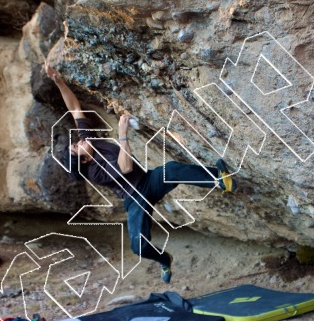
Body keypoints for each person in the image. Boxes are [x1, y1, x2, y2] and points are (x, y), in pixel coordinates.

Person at [43, 63, 235, 284]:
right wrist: (122, 134)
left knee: (172, 170)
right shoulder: (94, 171)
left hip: (148, 181)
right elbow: (125, 167)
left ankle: (220, 180)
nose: (79, 141)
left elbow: (74, 108)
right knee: (138, 245)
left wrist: (58, 81)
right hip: (135, 199)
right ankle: (164, 259)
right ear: (83, 160)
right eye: (77, 147)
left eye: (76, 142)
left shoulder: (89, 140)